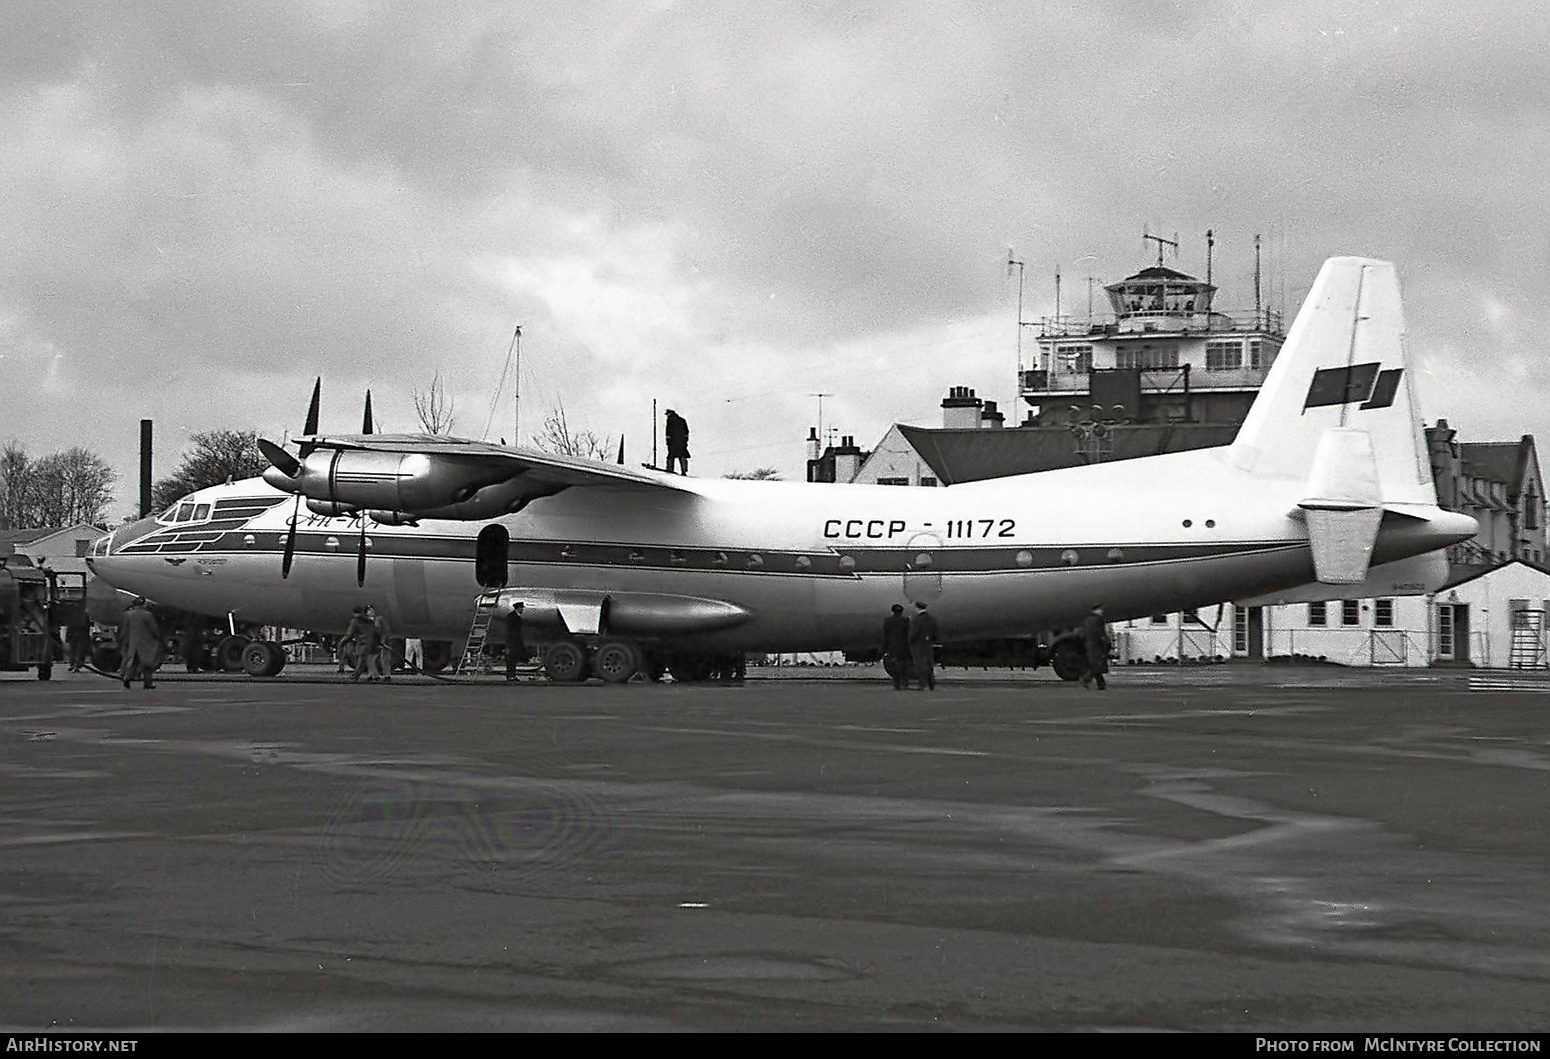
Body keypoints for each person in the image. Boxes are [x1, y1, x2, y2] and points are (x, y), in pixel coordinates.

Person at [116, 598, 162, 690]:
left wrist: (121, 639)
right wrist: (159, 638)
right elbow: (154, 629)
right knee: (147, 664)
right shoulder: (147, 615)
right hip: (145, 642)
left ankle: (126, 678)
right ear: (143, 604)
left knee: (132, 662)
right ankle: (147, 682)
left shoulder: (127, 615)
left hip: (131, 642)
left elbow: (123, 628)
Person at [1080, 605, 1112, 691]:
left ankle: (1096, 682)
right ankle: (1088, 680)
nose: (1102, 611)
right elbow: (1100, 633)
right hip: (1097, 645)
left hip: (1090, 644)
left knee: (1096, 664)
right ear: (1095, 610)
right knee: (1098, 664)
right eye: (1100, 610)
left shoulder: (1087, 620)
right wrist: (1106, 642)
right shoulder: (1097, 620)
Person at [907, 600, 938, 691]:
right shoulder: (932, 619)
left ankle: (922, 684)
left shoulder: (916, 620)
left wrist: (910, 641)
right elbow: (935, 633)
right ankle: (931, 683)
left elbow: (913, 633)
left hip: (918, 645)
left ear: (917, 608)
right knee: (929, 664)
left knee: (920, 665)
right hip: (928, 645)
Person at [881, 603, 912, 690]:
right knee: (904, 665)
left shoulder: (888, 621)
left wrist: (884, 647)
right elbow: (908, 634)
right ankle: (905, 682)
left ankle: (897, 682)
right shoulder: (905, 621)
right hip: (903, 646)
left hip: (892, 646)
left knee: (894, 665)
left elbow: (885, 635)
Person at [344, 605, 375, 681]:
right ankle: (360, 675)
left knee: (361, 661)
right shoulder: (367, 620)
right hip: (367, 643)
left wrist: (343, 641)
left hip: (362, 643)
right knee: (363, 661)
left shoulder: (355, 621)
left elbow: (350, 633)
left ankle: (355, 676)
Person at [503, 602, 526, 682]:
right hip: (512, 641)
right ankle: (510, 676)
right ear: (518, 608)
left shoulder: (516, 617)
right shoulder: (512, 617)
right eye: (522, 608)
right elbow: (510, 630)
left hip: (515, 641)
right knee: (511, 659)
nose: (523, 609)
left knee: (513, 659)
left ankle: (512, 675)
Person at [664, 408, 690, 475]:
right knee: (682, 455)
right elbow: (686, 431)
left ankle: (669, 470)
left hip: (673, 442)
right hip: (681, 442)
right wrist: (686, 440)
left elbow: (668, 432)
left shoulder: (670, 420)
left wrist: (668, 441)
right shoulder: (682, 420)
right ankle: (684, 470)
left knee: (671, 456)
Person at [65, 607, 92, 672]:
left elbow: (69, 626)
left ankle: (74, 664)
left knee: (76, 650)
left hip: (78, 635)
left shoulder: (73, 615)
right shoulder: (84, 615)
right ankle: (75, 665)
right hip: (80, 635)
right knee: (78, 651)